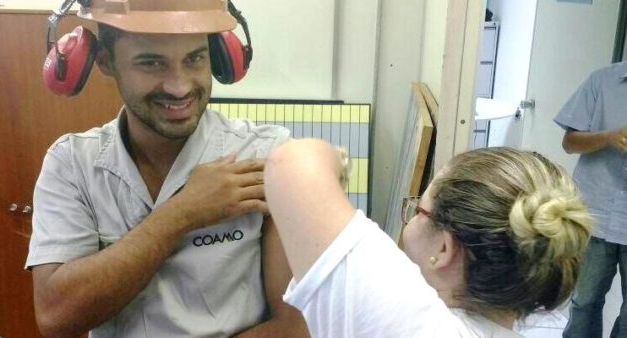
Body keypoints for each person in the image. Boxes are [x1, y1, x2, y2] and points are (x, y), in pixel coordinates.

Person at [25, 1, 308, 337]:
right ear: (104, 61)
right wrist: (182, 214)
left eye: (195, 58)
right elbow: (56, 317)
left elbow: (294, 328)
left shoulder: (266, 154)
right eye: (151, 63)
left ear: (219, 57)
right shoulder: (72, 164)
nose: (180, 86)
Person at [264, 139, 593, 337]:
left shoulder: (411, 324)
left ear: (444, 248)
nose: (406, 223)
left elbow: (293, 164)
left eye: (418, 210)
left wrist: (340, 160)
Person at [556, 60, 627, 338]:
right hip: (595, 214)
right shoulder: (601, 81)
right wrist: (609, 137)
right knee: (584, 302)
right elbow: (569, 143)